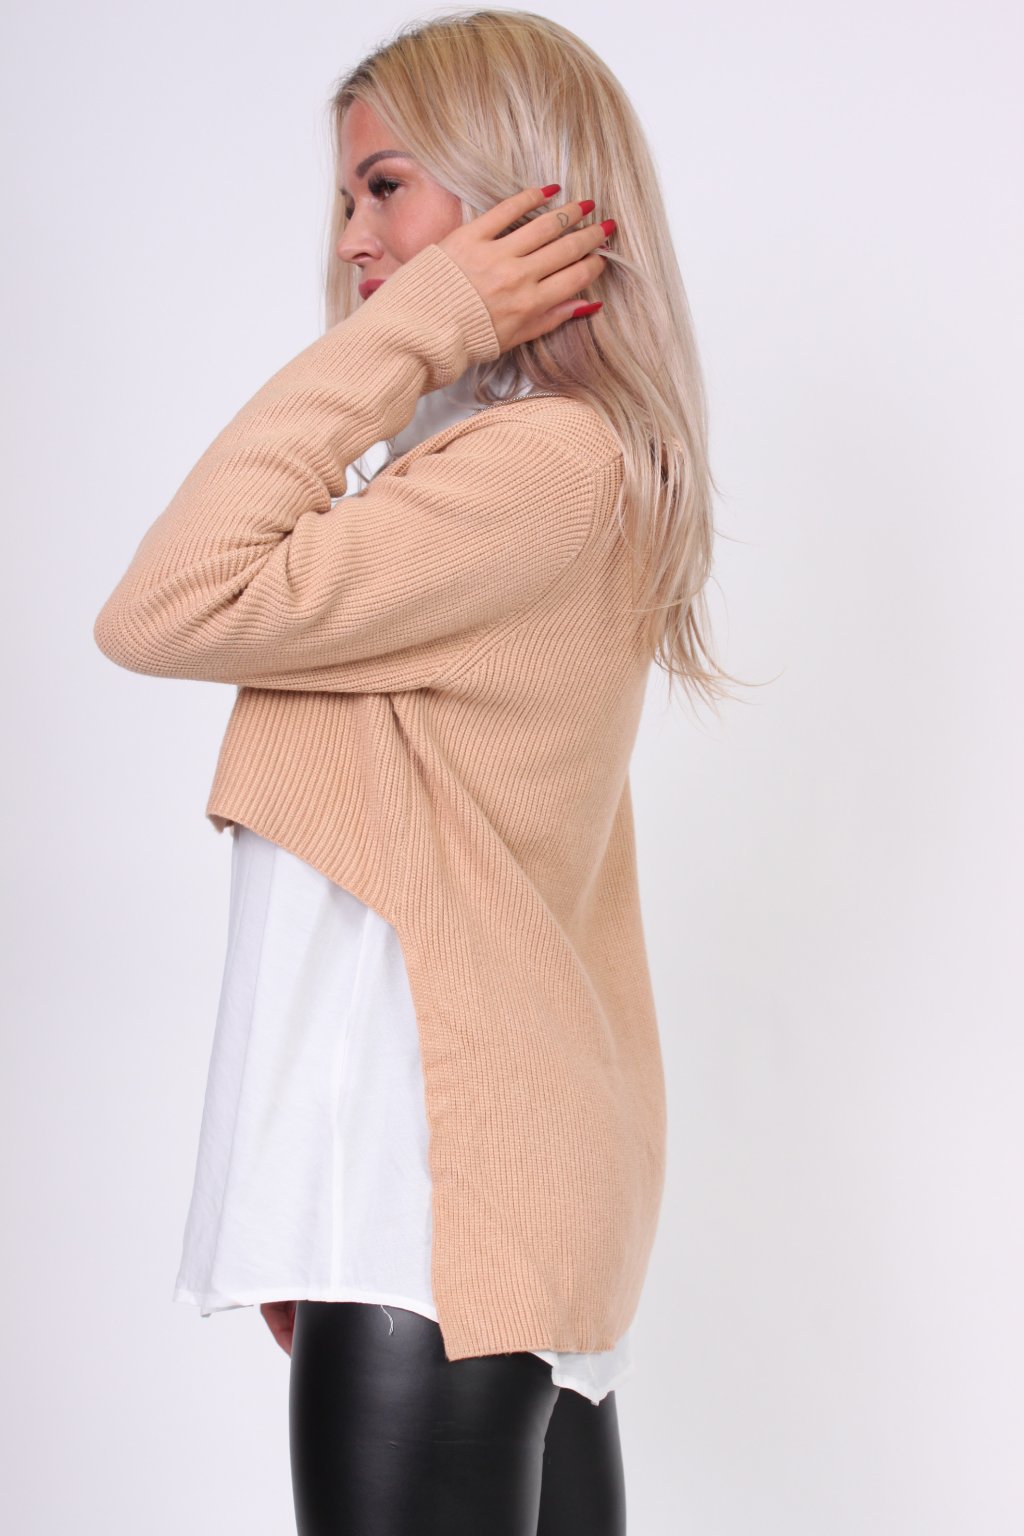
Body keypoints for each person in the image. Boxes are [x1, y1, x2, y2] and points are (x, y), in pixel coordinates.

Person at [93, 9, 739, 1532]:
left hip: (432, 1201)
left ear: (527, 194)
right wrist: (296, 1196)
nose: (353, 238)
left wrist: (418, 323)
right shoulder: (489, 470)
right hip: (449, 1195)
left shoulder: (539, 466)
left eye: (387, 186)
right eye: (344, 198)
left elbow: (163, 605)